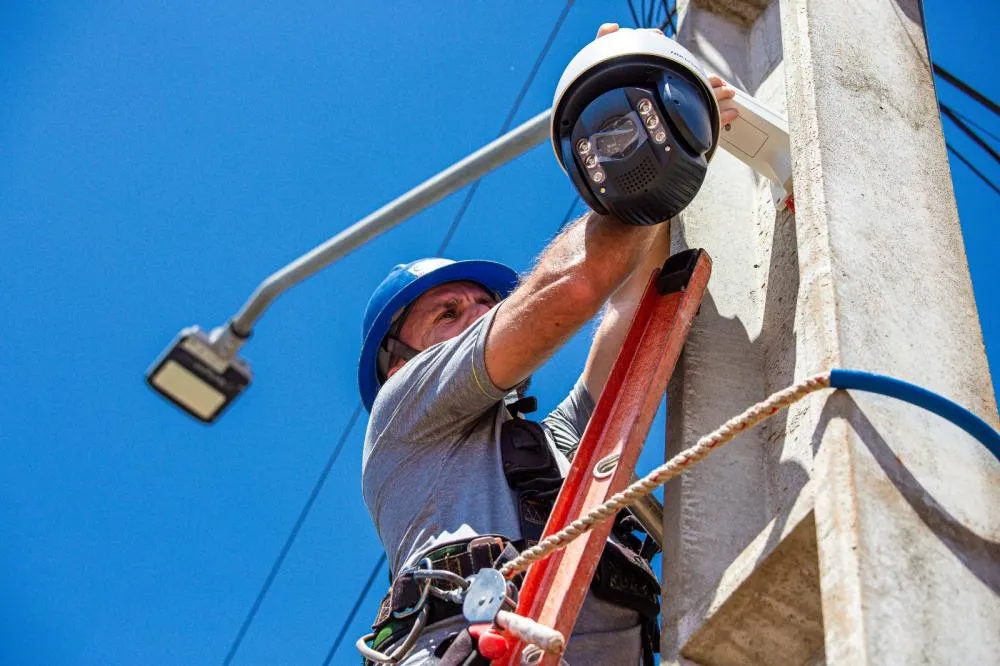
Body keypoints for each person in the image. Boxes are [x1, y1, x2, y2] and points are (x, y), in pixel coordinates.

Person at [358, 23, 739, 665]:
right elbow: (577, 282)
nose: (479, 316)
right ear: (398, 365)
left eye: (487, 305)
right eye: (447, 313)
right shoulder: (403, 412)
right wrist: (635, 149)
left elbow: (633, 310)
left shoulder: (560, 448)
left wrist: (660, 112)